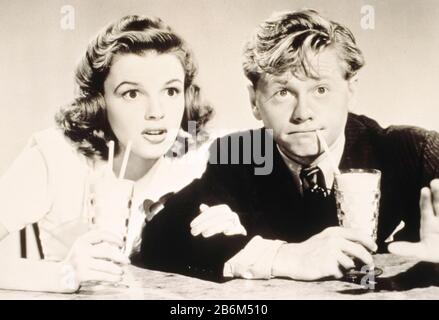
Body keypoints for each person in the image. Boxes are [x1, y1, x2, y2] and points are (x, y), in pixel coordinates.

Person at [134, 9, 439, 282]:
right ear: (254, 102)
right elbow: (159, 237)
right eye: (283, 92)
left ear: (351, 90)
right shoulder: (240, 156)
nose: (303, 113)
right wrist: (284, 257)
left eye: (320, 89)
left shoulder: (410, 150)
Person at [0, 15, 245, 293]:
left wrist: (233, 241)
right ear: (99, 99)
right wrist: (64, 274)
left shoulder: (202, 162)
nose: (156, 112)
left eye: (171, 91)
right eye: (131, 94)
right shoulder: (55, 156)